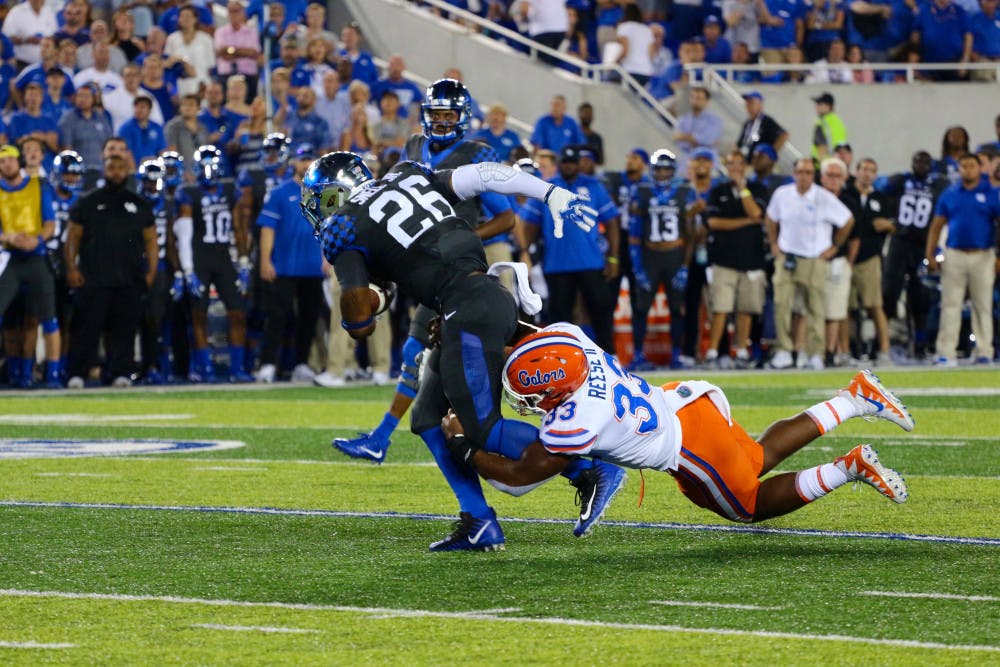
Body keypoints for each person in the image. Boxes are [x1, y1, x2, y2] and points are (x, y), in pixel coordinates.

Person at [304, 151, 627, 550]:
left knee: (483, 428)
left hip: (467, 308)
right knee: (425, 417)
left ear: (337, 195)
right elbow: (485, 175)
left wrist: (371, 299)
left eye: (321, 200)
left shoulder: (344, 226)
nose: (320, 211)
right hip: (480, 296)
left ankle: (589, 470)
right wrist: (546, 191)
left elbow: (359, 327)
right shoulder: (407, 173)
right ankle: (478, 520)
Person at [442, 324, 913, 529]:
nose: (530, 404)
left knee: (747, 506)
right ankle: (854, 399)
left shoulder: (576, 419)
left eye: (535, 397)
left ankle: (848, 467)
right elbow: (537, 345)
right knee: (754, 458)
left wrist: (463, 445)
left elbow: (518, 479)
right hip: (688, 400)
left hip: (687, 447)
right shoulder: (570, 341)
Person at [328, 79, 515, 457]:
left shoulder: (475, 153)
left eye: (449, 115)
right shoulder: (412, 147)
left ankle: (385, 436)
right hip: (420, 266)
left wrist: (466, 234)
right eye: (436, 114)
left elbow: (508, 217)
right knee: (424, 349)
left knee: (432, 347)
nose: (442, 122)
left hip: (455, 266)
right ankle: (392, 435)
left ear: (463, 118)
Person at [64, 153, 157, 388]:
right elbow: (72, 237)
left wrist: (151, 272)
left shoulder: (138, 203)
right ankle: (78, 373)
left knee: (124, 329)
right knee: (87, 329)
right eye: (111, 168)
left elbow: (151, 240)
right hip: (93, 277)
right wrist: (71, 267)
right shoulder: (88, 202)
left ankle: (121, 372)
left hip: (128, 278)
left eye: (120, 168)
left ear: (127, 171)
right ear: (104, 171)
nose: (116, 172)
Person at [520, 144, 621, 353]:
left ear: (578, 164)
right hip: (557, 264)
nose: (568, 166)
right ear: (560, 164)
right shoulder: (546, 187)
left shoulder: (594, 187)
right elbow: (530, 224)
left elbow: (612, 222)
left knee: (600, 310)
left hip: (590, 261)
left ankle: (609, 356)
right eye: (565, 162)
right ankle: (562, 357)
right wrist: (523, 252)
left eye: (572, 162)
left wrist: (613, 258)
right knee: (559, 318)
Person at [765, 157, 854, 370]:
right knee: (781, 304)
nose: (803, 176)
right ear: (793, 173)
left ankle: (816, 353)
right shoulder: (782, 194)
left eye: (807, 172)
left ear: (813, 176)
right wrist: (774, 244)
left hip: (814, 258)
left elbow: (847, 220)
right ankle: (784, 350)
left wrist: (834, 247)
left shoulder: (823, 197)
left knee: (815, 307)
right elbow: (770, 218)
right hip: (787, 256)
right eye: (799, 172)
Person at [173, 145, 251, 383]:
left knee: (237, 312)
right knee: (199, 315)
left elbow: (239, 228)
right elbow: (184, 234)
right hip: (200, 258)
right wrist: (187, 270)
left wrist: (245, 261)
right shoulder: (189, 192)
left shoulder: (230, 189)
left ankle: (237, 369)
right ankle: (204, 367)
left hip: (224, 258)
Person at [255, 144, 324, 383]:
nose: (305, 164)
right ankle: (267, 364)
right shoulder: (280, 192)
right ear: (293, 162)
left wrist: (327, 258)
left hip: (313, 267)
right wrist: (265, 260)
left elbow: (328, 229)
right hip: (283, 266)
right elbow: (267, 229)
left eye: (309, 159)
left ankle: (301, 364)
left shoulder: (324, 193)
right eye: (302, 159)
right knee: (277, 317)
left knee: (309, 318)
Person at [926, 153, 1000, 365]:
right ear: (959, 169)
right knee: (950, 304)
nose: (967, 169)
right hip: (954, 254)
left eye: (971, 166)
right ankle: (946, 352)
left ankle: (984, 350)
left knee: (983, 305)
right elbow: (937, 225)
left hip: (983, 255)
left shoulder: (991, 194)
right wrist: (930, 253)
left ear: (979, 169)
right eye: (964, 166)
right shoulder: (950, 194)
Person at [0, 143, 62, 388]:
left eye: (11, 159)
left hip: (36, 256)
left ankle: (53, 375)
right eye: (2, 161)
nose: (7, 164)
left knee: (49, 318)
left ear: (20, 161)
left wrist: (35, 239)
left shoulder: (39, 185)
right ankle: (19, 372)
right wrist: (10, 238)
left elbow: (50, 223)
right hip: (10, 258)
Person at [879, 150, 951, 360]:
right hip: (900, 242)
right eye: (918, 161)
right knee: (890, 291)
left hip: (923, 244)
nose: (922, 165)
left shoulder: (939, 184)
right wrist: (890, 221)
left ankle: (920, 342)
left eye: (925, 162)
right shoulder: (900, 180)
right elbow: (881, 193)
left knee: (921, 295)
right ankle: (887, 338)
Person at [628, 149, 693, 370]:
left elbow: (691, 233)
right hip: (650, 255)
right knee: (641, 308)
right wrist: (637, 266)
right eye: (659, 169)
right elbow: (635, 233)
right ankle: (638, 354)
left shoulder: (685, 191)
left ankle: (677, 354)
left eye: (667, 169)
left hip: (675, 255)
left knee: (677, 308)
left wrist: (685, 265)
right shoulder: (641, 191)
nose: (663, 173)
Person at [704, 150, 768, 367]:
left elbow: (756, 214)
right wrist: (745, 222)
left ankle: (741, 350)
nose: (735, 169)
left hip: (751, 259)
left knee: (745, 309)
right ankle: (713, 352)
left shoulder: (757, 188)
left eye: (738, 164)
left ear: (745, 166)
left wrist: (742, 189)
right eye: (731, 164)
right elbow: (713, 223)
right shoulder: (717, 190)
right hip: (724, 259)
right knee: (720, 308)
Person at [850, 157, 895, 364]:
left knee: (874, 305)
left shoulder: (881, 198)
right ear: (856, 171)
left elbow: (894, 225)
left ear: (875, 175)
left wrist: (887, 224)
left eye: (872, 170)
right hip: (847, 258)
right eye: (864, 169)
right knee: (846, 308)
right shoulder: (847, 194)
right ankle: (849, 350)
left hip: (870, 258)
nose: (867, 173)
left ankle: (884, 350)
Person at [672, 87, 723, 172]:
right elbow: (677, 139)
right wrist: (696, 139)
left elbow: (708, 140)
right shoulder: (683, 119)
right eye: (693, 97)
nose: (695, 101)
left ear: (707, 101)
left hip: (708, 162)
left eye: (699, 98)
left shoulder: (715, 120)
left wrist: (686, 137)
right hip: (686, 163)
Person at [735, 91, 788, 161]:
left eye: (751, 102)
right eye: (747, 102)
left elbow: (784, 135)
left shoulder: (766, 121)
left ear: (760, 104)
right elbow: (739, 143)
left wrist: (770, 155)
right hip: (746, 161)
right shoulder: (747, 123)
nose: (748, 105)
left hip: (758, 164)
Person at [810, 92, 847, 162]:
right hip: (838, 163)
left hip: (824, 164)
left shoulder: (821, 122)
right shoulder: (838, 122)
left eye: (820, 104)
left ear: (829, 106)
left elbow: (821, 146)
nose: (816, 106)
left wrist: (822, 165)